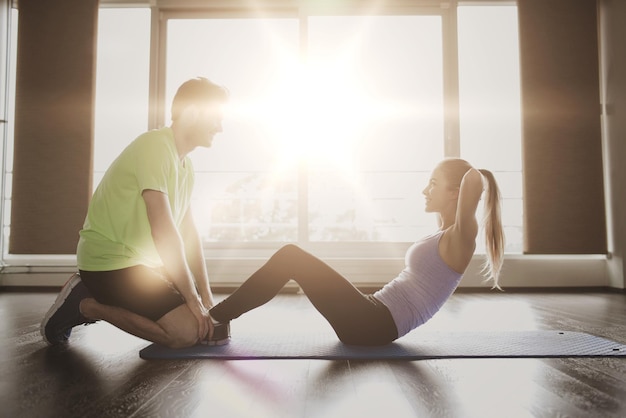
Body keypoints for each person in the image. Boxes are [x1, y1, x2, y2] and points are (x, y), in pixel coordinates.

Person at [208, 158, 504, 346]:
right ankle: (218, 319)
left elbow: (474, 179)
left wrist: (471, 171)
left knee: (291, 256)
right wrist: (452, 179)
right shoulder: (444, 234)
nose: (425, 191)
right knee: (292, 257)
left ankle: (214, 320)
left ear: (456, 192)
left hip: (374, 324)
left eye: (433, 184)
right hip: (372, 315)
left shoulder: (463, 237)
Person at [41, 77, 231, 349]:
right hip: (108, 262)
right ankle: (86, 305)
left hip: (141, 267)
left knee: (197, 318)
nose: (220, 127)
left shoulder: (185, 168)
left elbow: (189, 236)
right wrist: (192, 299)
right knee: (186, 333)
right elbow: (164, 231)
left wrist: (206, 297)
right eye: (216, 117)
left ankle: (97, 300)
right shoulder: (155, 146)